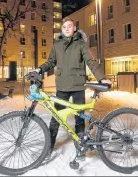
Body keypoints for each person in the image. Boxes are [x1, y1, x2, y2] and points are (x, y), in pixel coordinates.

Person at [31, 17, 113, 160]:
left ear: (74, 28)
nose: (67, 28)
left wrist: (101, 77)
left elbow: (91, 62)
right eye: (64, 27)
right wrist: (39, 69)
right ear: (62, 30)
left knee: (80, 117)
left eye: (70, 26)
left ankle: (80, 145)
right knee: (56, 117)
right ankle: (49, 146)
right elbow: (50, 62)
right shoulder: (57, 45)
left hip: (77, 86)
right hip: (62, 86)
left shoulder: (81, 44)